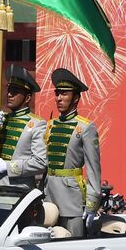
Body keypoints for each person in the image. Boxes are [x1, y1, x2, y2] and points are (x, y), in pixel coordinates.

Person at [43, 68, 102, 236]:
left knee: (72, 247)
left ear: (76, 98)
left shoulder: (85, 128)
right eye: (57, 93)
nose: (59, 98)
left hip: (72, 199)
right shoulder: (50, 125)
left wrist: (92, 205)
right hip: (49, 195)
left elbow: (93, 169)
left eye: (64, 94)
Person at [0, 65, 47, 190]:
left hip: (18, 188)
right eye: (9, 90)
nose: (9, 94)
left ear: (28, 97)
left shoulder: (37, 124)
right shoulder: (1, 119)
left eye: (15, 91)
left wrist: (8, 166)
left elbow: (40, 163)